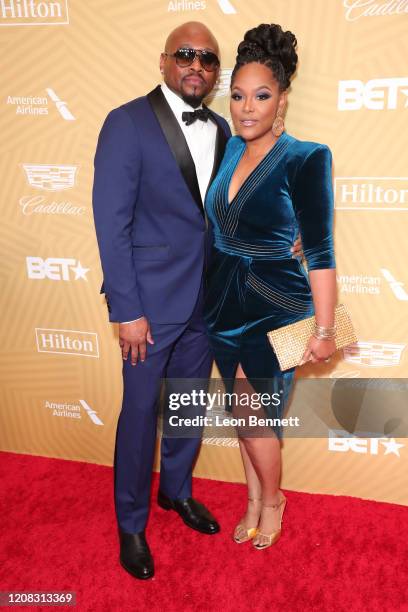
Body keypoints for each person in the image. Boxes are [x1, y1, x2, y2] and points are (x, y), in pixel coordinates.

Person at [92, 22, 230, 580]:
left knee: (188, 407)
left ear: (216, 72)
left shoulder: (222, 128)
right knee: (141, 414)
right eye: (186, 55)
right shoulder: (126, 123)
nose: (197, 65)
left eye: (208, 59)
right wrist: (126, 309)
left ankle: (176, 492)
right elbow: (111, 222)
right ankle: (131, 522)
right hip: (146, 307)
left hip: (204, 301)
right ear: (164, 61)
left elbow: (221, 212)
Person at [204, 23, 337, 550]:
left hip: (277, 305)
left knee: (253, 407)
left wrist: (324, 329)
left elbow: (322, 253)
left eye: (261, 95)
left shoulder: (307, 157)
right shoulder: (231, 152)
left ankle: (274, 500)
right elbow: (220, 225)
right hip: (221, 303)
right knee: (244, 415)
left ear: (282, 98)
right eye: (237, 96)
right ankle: (254, 499)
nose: (246, 107)